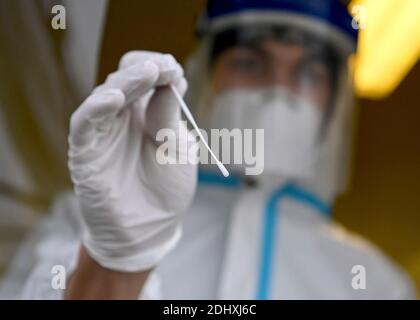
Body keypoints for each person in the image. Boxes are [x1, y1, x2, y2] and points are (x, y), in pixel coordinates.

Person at [0, 0, 415, 299]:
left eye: (308, 73)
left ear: (334, 104)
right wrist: (116, 262)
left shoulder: (378, 285)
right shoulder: (88, 219)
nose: (278, 93)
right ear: (205, 79)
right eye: (250, 63)